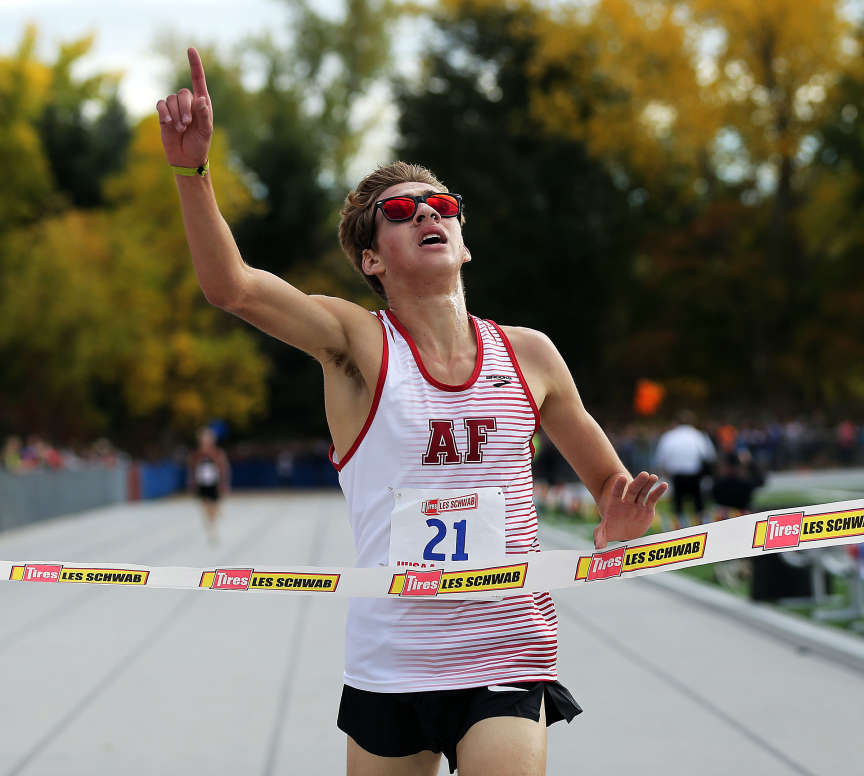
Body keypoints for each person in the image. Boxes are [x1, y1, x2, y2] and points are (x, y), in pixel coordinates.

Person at [157, 48, 668, 776]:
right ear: (372, 259)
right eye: (400, 211)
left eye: (442, 205)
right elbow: (233, 288)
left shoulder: (531, 356)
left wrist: (618, 534)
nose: (427, 211)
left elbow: (613, 497)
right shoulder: (357, 347)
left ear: (462, 239)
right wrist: (191, 172)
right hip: (392, 663)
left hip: (506, 647)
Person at [653, 411, 716, 529]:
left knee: (678, 507)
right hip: (695, 475)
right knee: (699, 506)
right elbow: (709, 456)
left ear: (676, 422)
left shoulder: (669, 436)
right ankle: (705, 529)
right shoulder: (698, 435)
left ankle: (680, 532)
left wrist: (665, 474)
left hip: (677, 477)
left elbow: (660, 459)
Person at [187, 426, 230, 545]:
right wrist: (192, 483)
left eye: (208, 438)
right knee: (205, 507)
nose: (206, 441)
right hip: (202, 483)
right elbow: (192, 469)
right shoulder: (196, 454)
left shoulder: (217, 453)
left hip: (214, 483)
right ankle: (211, 527)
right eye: (203, 439)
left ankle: (214, 520)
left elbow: (223, 468)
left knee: (214, 506)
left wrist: (224, 483)